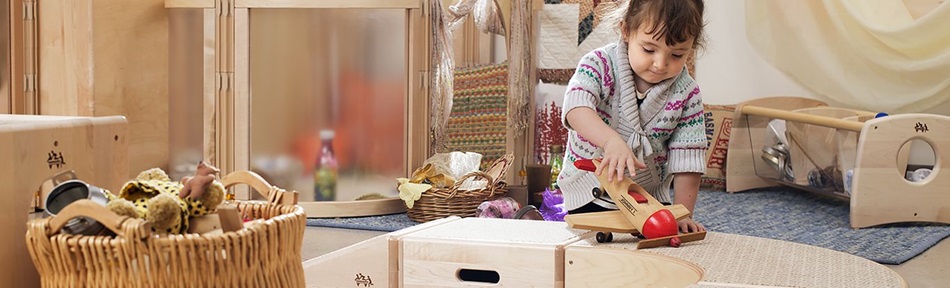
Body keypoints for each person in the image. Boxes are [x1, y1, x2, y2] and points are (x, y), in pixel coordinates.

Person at [556, 0, 707, 233]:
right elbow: (576, 108)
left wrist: (682, 213)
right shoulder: (598, 65)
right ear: (626, 30)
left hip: (648, 196)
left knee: (660, 243)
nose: (660, 64)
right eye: (649, 50)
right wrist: (610, 141)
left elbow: (688, 160)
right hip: (590, 191)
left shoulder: (687, 94)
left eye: (677, 54)